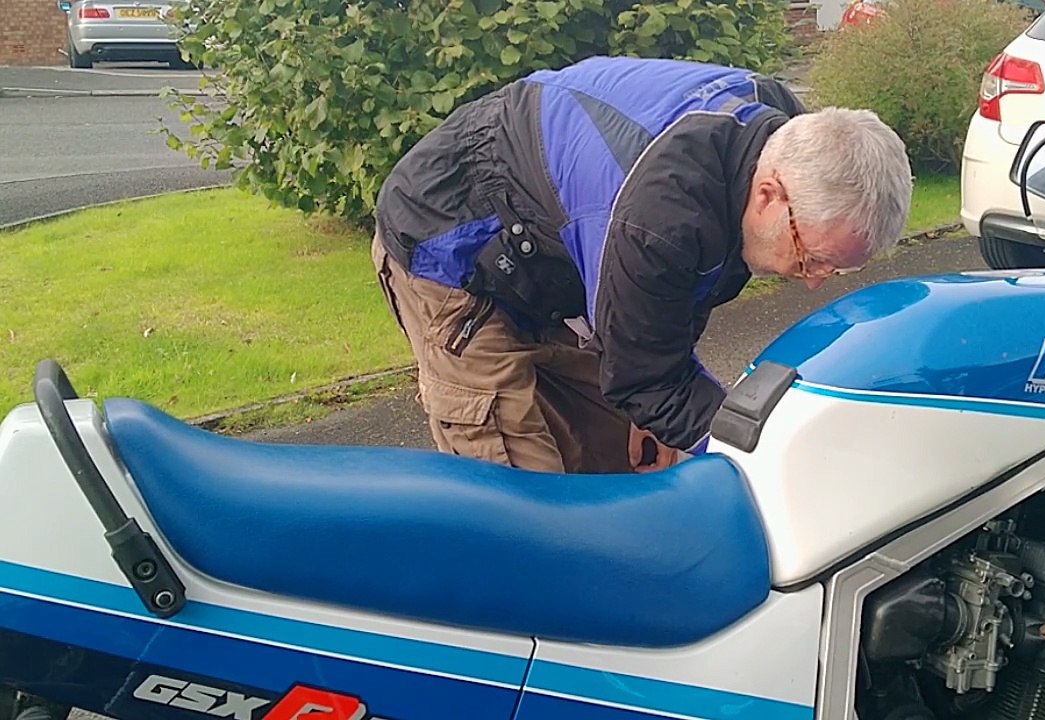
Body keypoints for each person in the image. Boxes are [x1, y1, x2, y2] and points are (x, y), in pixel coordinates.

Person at [371, 55, 913, 475]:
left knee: (619, 468)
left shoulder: (782, 136)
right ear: (769, 195)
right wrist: (770, 452)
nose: (814, 280)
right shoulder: (660, 221)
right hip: (453, 248)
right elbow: (645, 378)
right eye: (811, 257)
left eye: (835, 270)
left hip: (555, 240)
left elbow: (664, 331)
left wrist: (650, 407)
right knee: (527, 510)